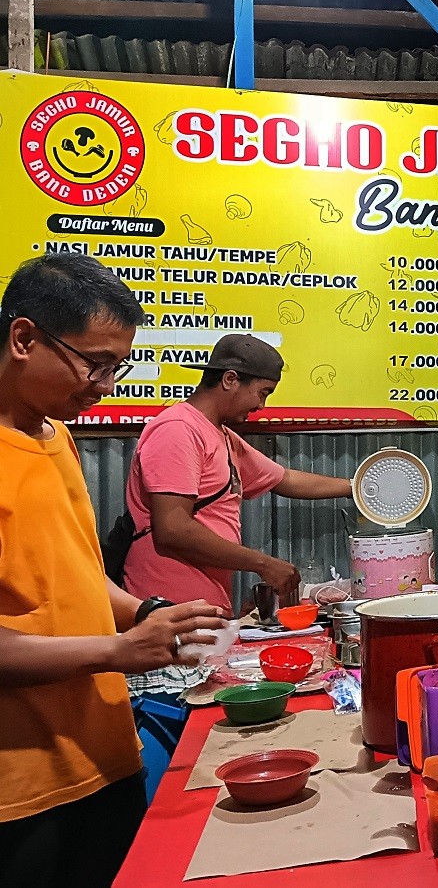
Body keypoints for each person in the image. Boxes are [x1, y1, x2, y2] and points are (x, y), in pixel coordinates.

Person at [0, 253, 226, 888]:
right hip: (24, 790)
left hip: (106, 757)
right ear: (24, 338)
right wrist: (117, 650)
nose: (104, 384)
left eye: (116, 366)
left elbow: (75, 575)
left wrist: (147, 614)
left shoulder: (54, 437)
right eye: (93, 363)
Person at [121, 334, 352, 614]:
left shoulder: (221, 435)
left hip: (205, 605)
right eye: (263, 392)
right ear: (230, 380)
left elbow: (284, 479)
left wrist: (359, 487)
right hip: (170, 609)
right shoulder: (177, 429)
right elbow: (173, 528)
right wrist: (263, 564)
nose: (261, 406)